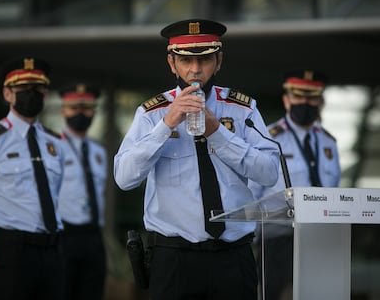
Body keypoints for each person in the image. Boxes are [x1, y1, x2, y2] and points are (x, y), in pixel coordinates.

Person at [114, 18, 280, 300]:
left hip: (233, 255)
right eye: (185, 60)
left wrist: (217, 133)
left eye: (204, 60)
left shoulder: (243, 110)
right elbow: (125, 178)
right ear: (171, 63)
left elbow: (269, 173)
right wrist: (165, 125)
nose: (194, 69)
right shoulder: (152, 113)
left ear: (219, 61)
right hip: (174, 257)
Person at [250, 68, 341, 300]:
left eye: (311, 98)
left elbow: (335, 190)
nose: (305, 103)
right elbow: (251, 192)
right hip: (277, 236)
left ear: (321, 101)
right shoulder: (269, 138)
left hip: (319, 238)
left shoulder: (328, 142)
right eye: (298, 96)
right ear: (286, 99)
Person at [0, 55, 65, 300]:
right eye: (23, 88)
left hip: (52, 248)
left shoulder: (55, 142)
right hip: (10, 249)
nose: (31, 94)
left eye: (38, 88)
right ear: (7, 94)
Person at [57, 82, 107, 300]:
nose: (80, 113)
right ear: (63, 111)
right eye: (74, 107)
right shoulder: (52, 147)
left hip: (93, 235)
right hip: (63, 235)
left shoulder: (99, 152)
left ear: (94, 111)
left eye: (86, 107)